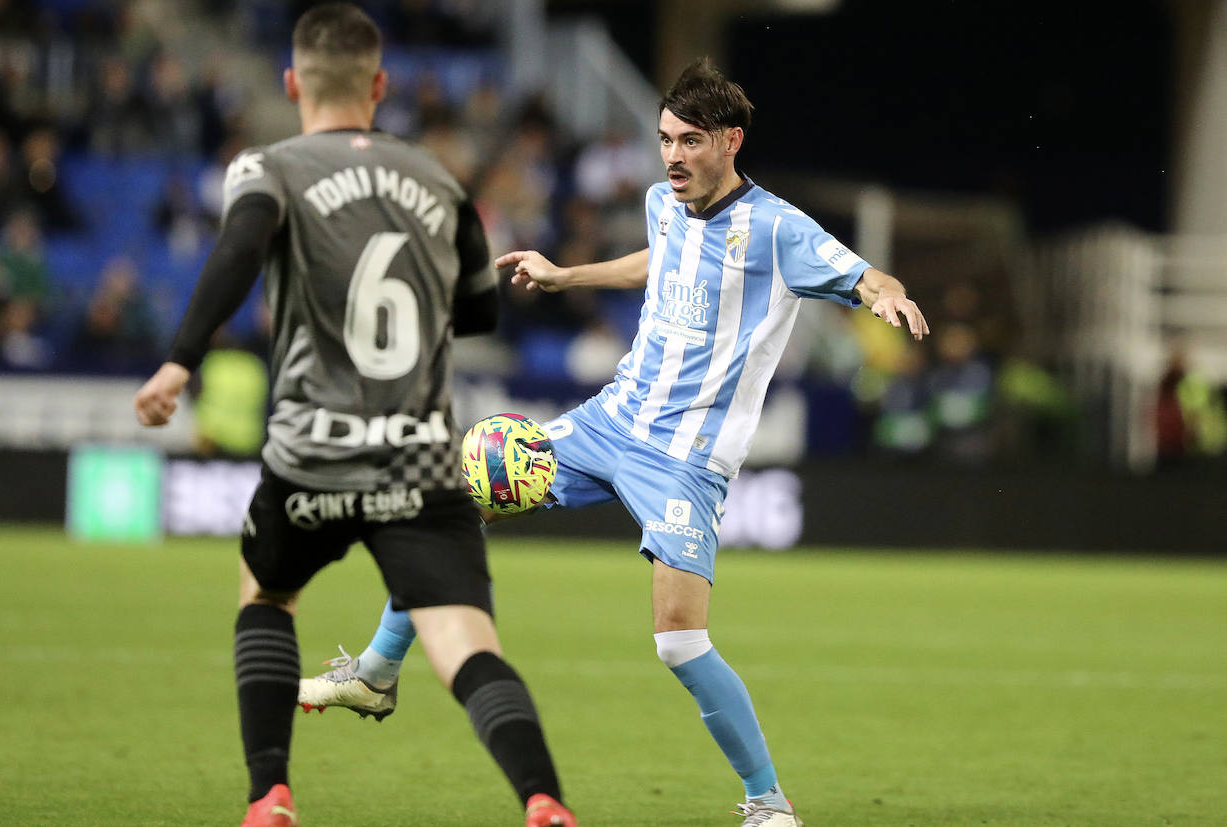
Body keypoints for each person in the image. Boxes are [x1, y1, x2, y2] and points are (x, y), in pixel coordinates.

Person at [300, 57, 930, 827]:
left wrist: (889, 299)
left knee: (679, 641)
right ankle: (375, 671)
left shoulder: (779, 230)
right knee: (452, 503)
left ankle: (768, 802)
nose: (672, 155)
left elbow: (867, 278)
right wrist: (567, 276)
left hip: (686, 458)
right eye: (665, 138)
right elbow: (659, 263)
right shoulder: (663, 203)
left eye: (690, 141)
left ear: (730, 141)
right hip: (612, 420)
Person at [131, 6, 578, 827]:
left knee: (267, 598)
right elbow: (479, 315)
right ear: (379, 86)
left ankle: (270, 793)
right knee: (466, 645)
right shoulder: (440, 180)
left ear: (294, 82)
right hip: (418, 457)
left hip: (312, 453)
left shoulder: (268, 167)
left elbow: (239, 248)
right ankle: (543, 798)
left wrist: (179, 359)